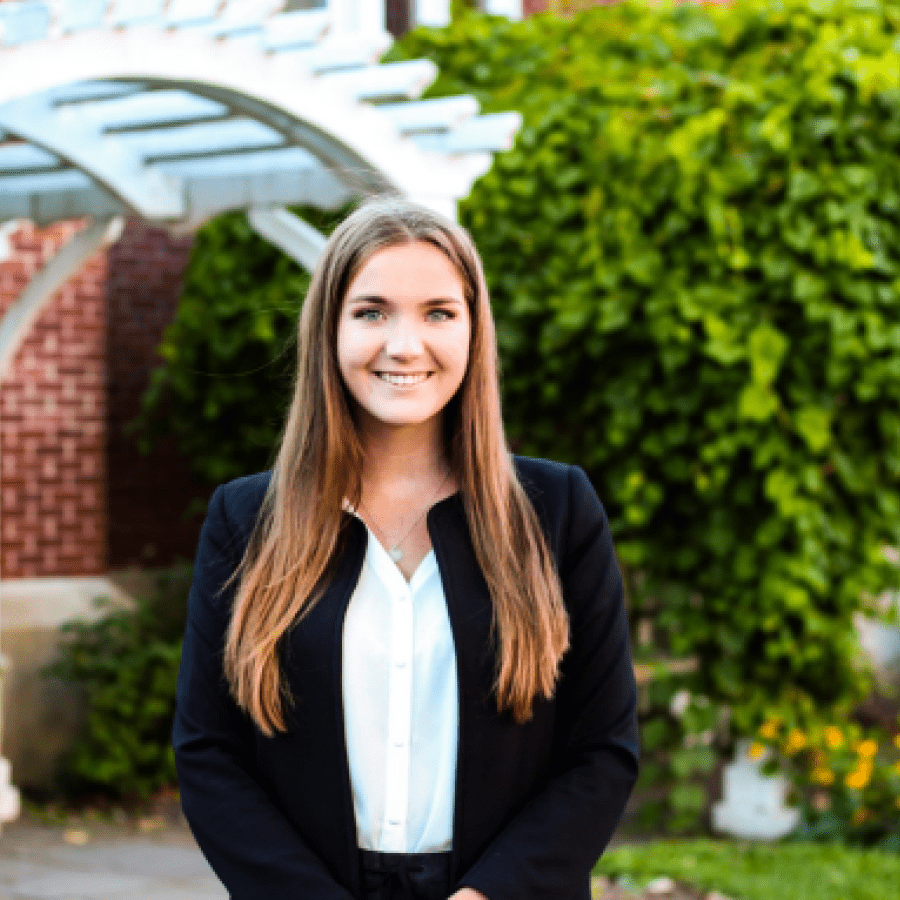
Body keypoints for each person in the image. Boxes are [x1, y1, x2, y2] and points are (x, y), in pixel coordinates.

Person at [172, 196, 639, 900]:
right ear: (330, 328)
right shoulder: (247, 518)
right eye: (371, 311)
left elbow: (601, 750)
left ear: (473, 331)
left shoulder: (558, 511)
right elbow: (209, 753)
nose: (403, 344)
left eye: (437, 313)